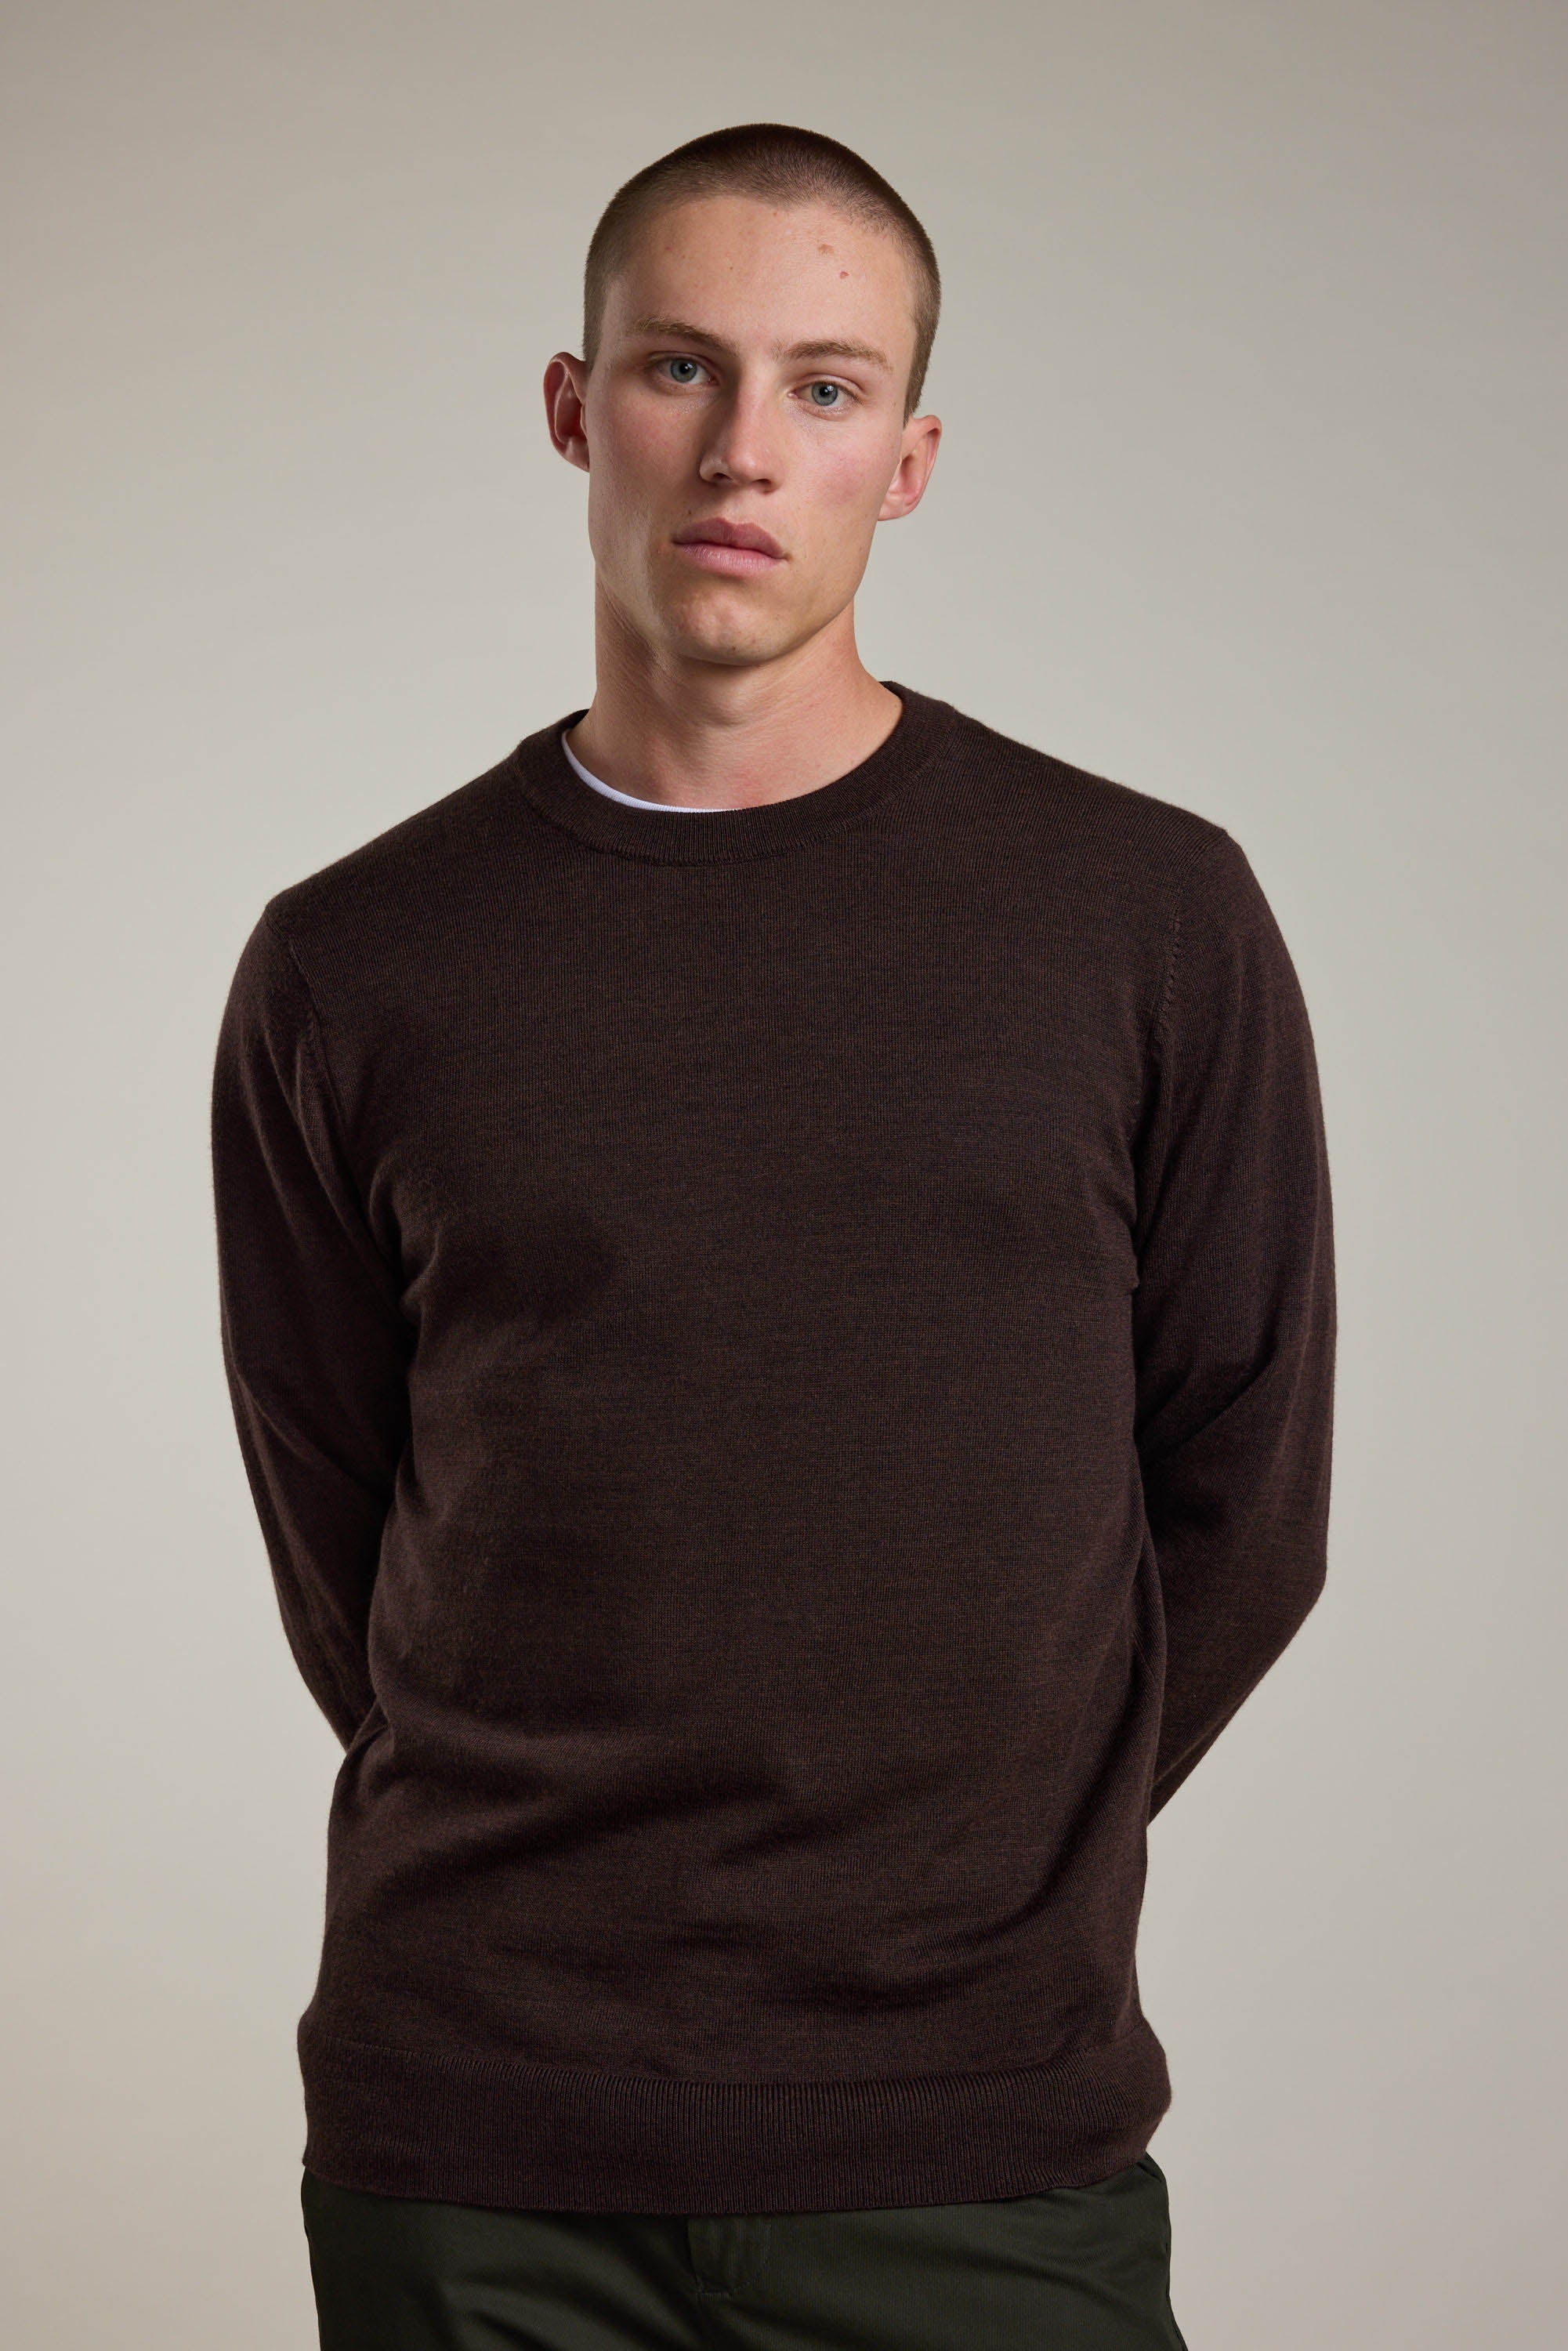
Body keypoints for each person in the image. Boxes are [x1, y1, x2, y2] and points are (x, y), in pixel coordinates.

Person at [210, 121, 1335, 2350]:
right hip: (478, 2157)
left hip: (978, 2145)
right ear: (571, 406)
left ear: (905, 460)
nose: (744, 449)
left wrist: (963, 1873)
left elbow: (1244, 1503)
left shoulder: (1143, 917)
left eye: (823, 388)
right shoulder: (355, 961)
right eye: (677, 372)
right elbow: (347, 1537)